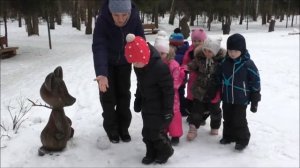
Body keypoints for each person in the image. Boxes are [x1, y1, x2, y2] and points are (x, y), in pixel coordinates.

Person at [92, 0, 145, 143]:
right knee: (108, 97)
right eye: (116, 15)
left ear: (129, 12)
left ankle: (123, 128)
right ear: (110, 12)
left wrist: (142, 60)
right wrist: (102, 73)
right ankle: (112, 129)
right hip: (107, 64)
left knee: (124, 96)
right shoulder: (103, 20)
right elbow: (99, 46)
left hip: (124, 64)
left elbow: (141, 40)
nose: (120, 19)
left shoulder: (134, 18)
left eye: (124, 15)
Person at [125, 34, 174, 164]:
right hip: (147, 105)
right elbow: (141, 84)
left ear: (145, 56)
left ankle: (165, 150)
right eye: (133, 63)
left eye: (137, 61)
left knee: (156, 132)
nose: (135, 65)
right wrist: (138, 98)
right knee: (146, 132)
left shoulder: (160, 67)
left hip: (160, 107)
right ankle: (151, 151)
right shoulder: (139, 65)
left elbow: (168, 91)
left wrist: (168, 110)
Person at [219, 33, 261, 151]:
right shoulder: (224, 62)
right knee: (227, 117)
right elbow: (219, 78)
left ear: (242, 50)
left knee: (239, 119)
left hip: (241, 99)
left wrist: (255, 99)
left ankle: (242, 139)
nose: (232, 53)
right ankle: (228, 136)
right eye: (230, 50)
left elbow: (256, 81)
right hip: (227, 97)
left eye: (235, 51)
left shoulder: (248, 64)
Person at [186, 37, 225, 141]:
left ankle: (215, 126)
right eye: (205, 50)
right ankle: (193, 128)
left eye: (210, 51)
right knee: (196, 110)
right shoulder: (199, 58)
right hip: (199, 89)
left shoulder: (221, 62)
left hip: (214, 90)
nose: (207, 53)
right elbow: (191, 65)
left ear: (216, 52)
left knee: (215, 110)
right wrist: (186, 68)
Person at [154, 34, 185, 146]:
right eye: (157, 53)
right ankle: (164, 131)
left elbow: (176, 80)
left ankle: (175, 134)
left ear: (168, 53)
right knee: (162, 112)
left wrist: (168, 88)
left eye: (162, 53)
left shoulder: (173, 65)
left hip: (172, 94)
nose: (160, 56)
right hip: (159, 94)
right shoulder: (154, 64)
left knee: (173, 113)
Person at [181, 28, 209, 124]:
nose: (196, 43)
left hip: (204, 80)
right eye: (194, 41)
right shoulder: (190, 50)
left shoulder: (207, 50)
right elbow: (185, 61)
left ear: (204, 41)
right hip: (193, 78)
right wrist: (185, 68)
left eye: (199, 41)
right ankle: (192, 115)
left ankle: (202, 116)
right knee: (191, 97)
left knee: (202, 98)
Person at [169, 28, 190, 116]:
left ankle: (182, 108)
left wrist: (185, 69)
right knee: (172, 92)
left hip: (181, 75)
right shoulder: (170, 50)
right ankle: (172, 108)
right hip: (171, 75)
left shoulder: (185, 51)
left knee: (180, 92)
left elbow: (188, 62)